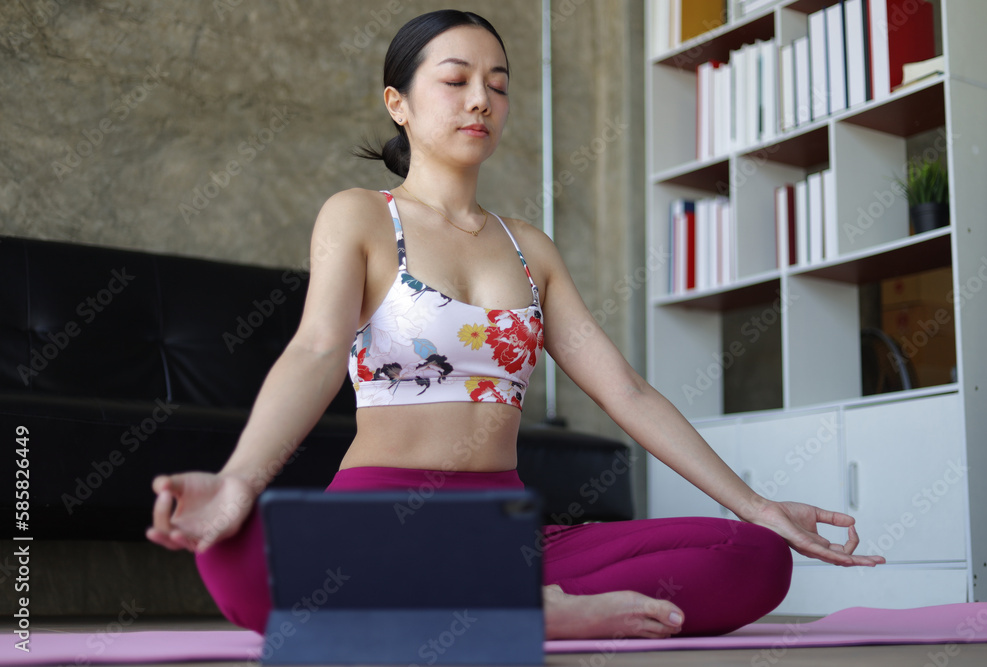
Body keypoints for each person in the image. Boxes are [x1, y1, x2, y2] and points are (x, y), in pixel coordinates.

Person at [147, 9, 884, 641]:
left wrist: (756, 506)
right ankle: (530, 613)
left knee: (753, 557)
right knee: (232, 557)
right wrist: (240, 481)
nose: (481, 100)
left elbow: (623, 389)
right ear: (397, 102)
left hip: (505, 533)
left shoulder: (530, 247)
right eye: (456, 79)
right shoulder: (361, 216)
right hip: (381, 524)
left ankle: (507, 603)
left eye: (498, 85)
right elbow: (314, 348)